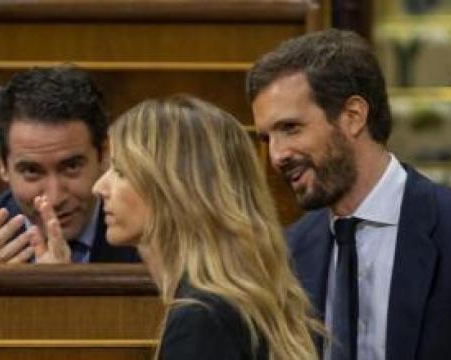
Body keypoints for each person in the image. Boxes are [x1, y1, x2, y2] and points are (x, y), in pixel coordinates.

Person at [247, 28, 451, 360]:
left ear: (353, 116)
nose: (277, 156)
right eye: (267, 138)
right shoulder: (291, 249)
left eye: (290, 128)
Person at [93, 95, 322, 359]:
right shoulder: (234, 303)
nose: (99, 188)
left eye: (120, 171)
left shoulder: (202, 319)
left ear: (174, 187)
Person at [0, 66, 139, 264]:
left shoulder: (146, 234)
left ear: (104, 155)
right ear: (2, 163)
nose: (54, 199)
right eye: (31, 171)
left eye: (71, 167)